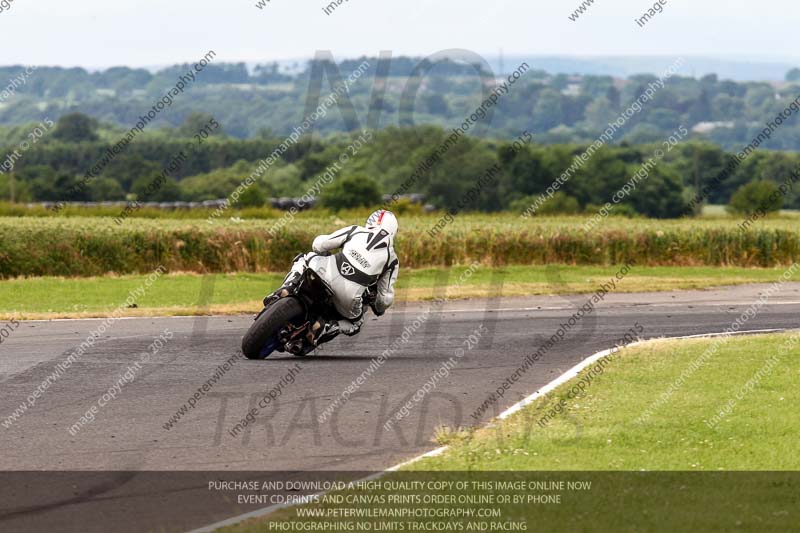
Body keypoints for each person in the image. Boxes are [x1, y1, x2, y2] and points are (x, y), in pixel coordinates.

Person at [270, 209, 399, 345]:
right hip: (349, 296)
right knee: (355, 324)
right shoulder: (392, 259)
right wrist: (378, 306)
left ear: (370, 222)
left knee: (305, 258)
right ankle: (324, 327)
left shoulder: (355, 230)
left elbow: (318, 244)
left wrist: (325, 251)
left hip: (325, 272)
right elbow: (385, 299)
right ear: (393, 230)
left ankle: (287, 288)